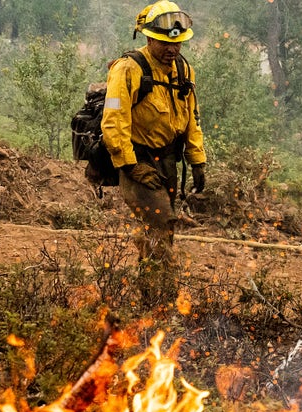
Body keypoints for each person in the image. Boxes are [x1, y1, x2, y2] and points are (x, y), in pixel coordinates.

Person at [102, 1, 207, 270]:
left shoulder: (184, 70)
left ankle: (148, 288)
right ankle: (164, 292)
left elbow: (191, 119)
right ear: (149, 38)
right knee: (161, 223)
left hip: (168, 161)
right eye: (164, 43)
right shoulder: (128, 69)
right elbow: (113, 121)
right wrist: (130, 165)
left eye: (178, 43)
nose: (172, 49)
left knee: (163, 227)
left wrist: (198, 161)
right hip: (139, 159)